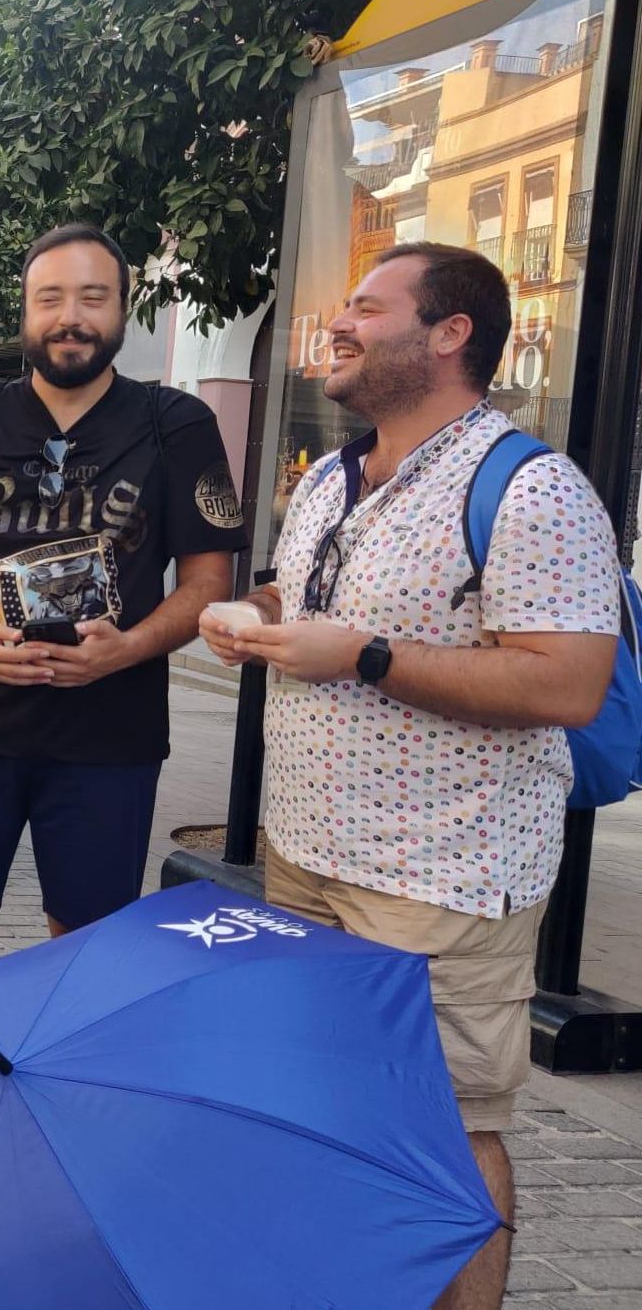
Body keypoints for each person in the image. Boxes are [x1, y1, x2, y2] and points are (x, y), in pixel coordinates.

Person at [199, 244, 623, 1310]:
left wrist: (367, 657)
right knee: (327, 1106)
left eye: (366, 307)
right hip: (305, 857)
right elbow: (318, 609)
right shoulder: (335, 477)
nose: (338, 323)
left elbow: (566, 683)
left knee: (447, 1128)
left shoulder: (529, 486)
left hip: (439, 875)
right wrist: (254, 620)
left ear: (449, 333)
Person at [0, 223, 246, 1055]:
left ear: (123, 310)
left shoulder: (174, 424)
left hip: (106, 734)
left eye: (92, 298)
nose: (69, 317)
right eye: (50, 298)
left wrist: (126, 648)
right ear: (25, 311)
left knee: (87, 940)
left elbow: (204, 585)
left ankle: (67, 1116)